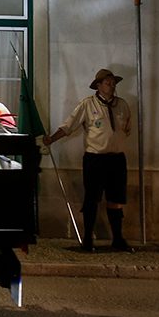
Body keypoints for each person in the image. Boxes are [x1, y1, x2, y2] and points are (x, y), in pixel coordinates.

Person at [44, 68, 134, 252]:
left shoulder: (122, 105)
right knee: (92, 199)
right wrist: (52, 139)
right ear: (99, 86)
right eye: (107, 83)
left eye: (113, 82)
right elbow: (69, 125)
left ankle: (118, 239)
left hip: (116, 159)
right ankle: (87, 240)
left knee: (116, 199)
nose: (111, 85)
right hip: (95, 159)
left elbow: (127, 129)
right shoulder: (88, 104)